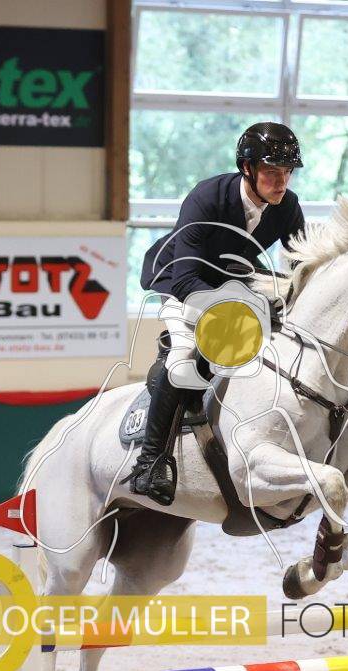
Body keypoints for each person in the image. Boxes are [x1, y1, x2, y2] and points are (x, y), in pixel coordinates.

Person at [129, 122, 307, 506]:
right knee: (183, 357)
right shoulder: (207, 197)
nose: (281, 182)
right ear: (247, 169)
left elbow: (301, 268)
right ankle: (149, 463)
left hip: (232, 276)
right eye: (272, 172)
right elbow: (185, 279)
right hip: (178, 279)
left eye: (287, 172)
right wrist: (241, 310)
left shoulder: (288, 206)